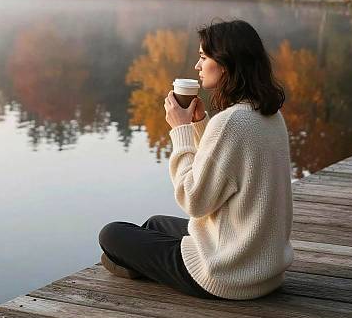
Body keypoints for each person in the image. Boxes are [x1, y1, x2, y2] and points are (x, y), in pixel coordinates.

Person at [98, 18, 294, 300]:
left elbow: (195, 200)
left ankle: (135, 266)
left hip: (229, 276)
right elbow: (225, 169)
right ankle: (138, 264)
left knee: (112, 234)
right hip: (265, 268)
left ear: (225, 64)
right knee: (155, 224)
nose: (197, 66)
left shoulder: (231, 123)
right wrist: (201, 124)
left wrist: (181, 132)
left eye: (203, 57)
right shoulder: (269, 115)